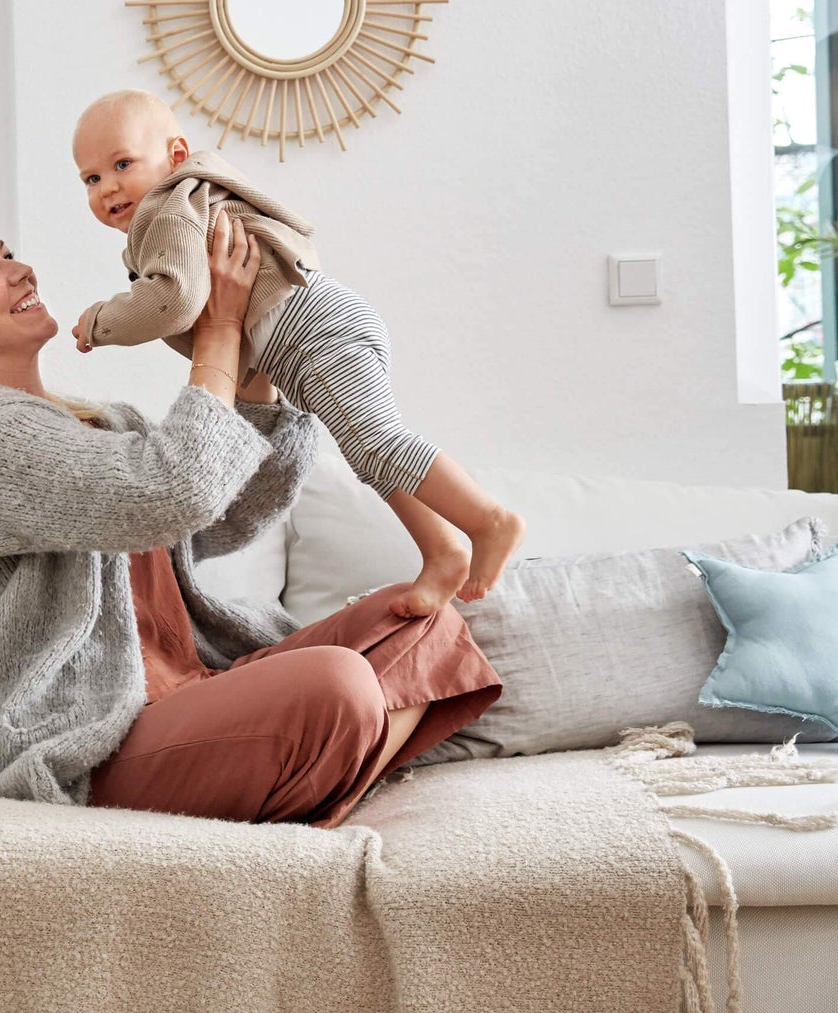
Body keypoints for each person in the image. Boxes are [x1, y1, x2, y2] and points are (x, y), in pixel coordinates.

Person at [0, 207, 501, 827]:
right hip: (100, 741)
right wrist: (217, 331)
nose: (21, 270)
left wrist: (256, 352)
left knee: (425, 620)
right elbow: (177, 489)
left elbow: (225, 514)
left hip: (198, 690)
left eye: (7, 254)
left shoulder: (102, 422)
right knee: (338, 685)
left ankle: (314, 791)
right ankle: (320, 789)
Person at [69, 88, 525, 618]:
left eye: (123, 163)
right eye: (91, 178)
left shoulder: (170, 208)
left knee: (379, 443)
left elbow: (174, 299)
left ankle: (489, 520)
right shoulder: (187, 202)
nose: (109, 187)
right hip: (316, 333)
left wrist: (101, 321)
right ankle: (443, 551)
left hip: (317, 334)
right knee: (370, 457)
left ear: (174, 157)